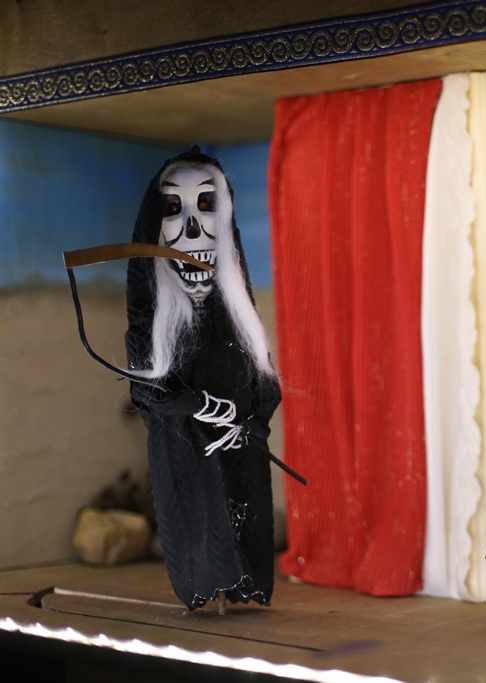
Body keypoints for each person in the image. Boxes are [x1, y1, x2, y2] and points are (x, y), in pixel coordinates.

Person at [125, 147, 281, 611]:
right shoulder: (152, 325)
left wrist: (255, 423)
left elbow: (265, 383)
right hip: (185, 454)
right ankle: (206, 587)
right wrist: (192, 405)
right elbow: (146, 390)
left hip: (237, 452)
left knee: (243, 519)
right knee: (197, 531)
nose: (192, 229)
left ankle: (243, 587)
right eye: (174, 208)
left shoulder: (237, 318)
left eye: (206, 204)